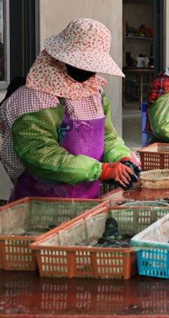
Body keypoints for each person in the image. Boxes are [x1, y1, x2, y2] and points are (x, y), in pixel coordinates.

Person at [0, 18, 138, 200]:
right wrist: (102, 170)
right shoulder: (34, 97)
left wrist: (122, 158)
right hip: (41, 204)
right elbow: (41, 155)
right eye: (82, 63)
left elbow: (108, 137)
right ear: (61, 58)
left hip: (87, 199)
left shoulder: (94, 92)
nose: (88, 71)